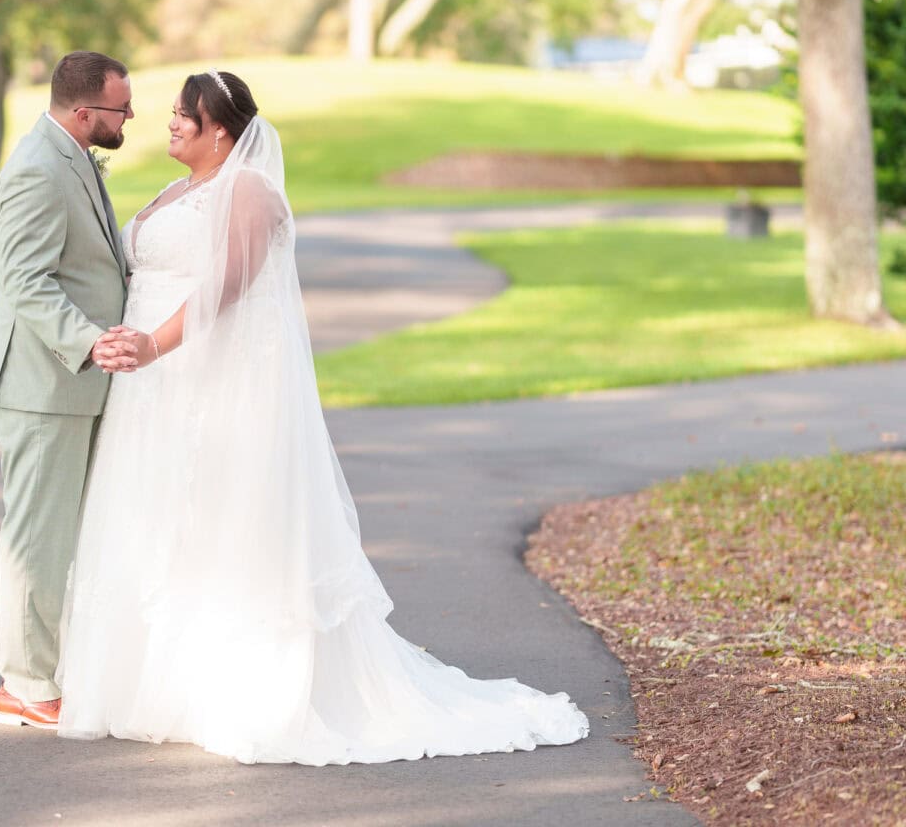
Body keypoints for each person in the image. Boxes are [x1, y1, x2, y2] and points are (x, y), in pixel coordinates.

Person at [57, 69, 590, 764]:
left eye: (183, 115)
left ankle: (230, 690)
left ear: (220, 128)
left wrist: (154, 343)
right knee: (156, 518)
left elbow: (230, 286)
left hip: (199, 378)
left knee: (217, 520)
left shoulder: (248, 191)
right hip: (150, 390)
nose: (170, 124)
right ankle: (148, 683)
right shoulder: (172, 193)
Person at [0, 51, 133, 729]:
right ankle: (26, 685)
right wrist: (89, 340)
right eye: (120, 111)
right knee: (37, 540)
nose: (128, 119)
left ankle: (45, 670)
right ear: (83, 113)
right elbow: (25, 284)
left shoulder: (68, 154)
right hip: (44, 385)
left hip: (70, 387)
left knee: (60, 537)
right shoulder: (38, 170)